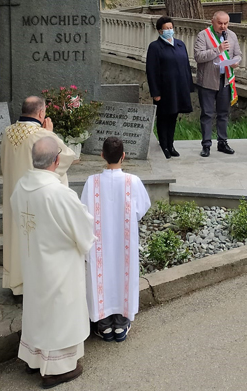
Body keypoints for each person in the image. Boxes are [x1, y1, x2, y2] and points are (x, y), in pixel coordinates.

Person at [11, 137, 95, 387]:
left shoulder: (20, 186)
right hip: (59, 266)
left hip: (34, 262)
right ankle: (58, 368)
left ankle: (34, 359)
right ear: (57, 161)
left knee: (38, 310)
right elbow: (83, 227)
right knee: (60, 313)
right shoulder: (59, 193)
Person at [0, 95, 77, 295]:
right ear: (41, 113)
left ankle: (16, 281)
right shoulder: (41, 135)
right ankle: (34, 282)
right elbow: (67, 157)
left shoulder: (8, 132)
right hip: (36, 197)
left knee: (17, 236)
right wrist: (49, 134)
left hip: (14, 195)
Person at [81, 137, 151, 343]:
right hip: (123, 242)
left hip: (99, 243)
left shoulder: (91, 182)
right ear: (124, 156)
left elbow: (84, 211)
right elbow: (142, 208)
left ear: (102, 155)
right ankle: (121, 323)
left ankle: (103, 324)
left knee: (100, 276)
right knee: (123, 275)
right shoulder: (133, 181)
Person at [194, 11, 242, 158]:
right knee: (207, 114)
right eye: (220, 23)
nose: (223, 26)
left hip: (225, 79)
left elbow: (238, 53)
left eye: (226, 23)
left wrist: (236, 61)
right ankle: (206, 145)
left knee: (223, 113)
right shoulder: (203, 35)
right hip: (208, 81)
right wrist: (218, 50)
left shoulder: (232, 35)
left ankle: (222, 142)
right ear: (213, 21)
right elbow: (198, 56)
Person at [146, 16, 194, 159]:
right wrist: (155, 92)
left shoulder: (180, 44)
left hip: (178, 88)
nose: (169, 31)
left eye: (171, 28)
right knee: (163, 117)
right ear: (160, 31)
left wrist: (188, 86)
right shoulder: (155, 47)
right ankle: (164, 145)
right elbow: (151, 70)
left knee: (173, 116)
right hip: (164, 90)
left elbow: (186, 67)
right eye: (166, 29)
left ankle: (171, 144)